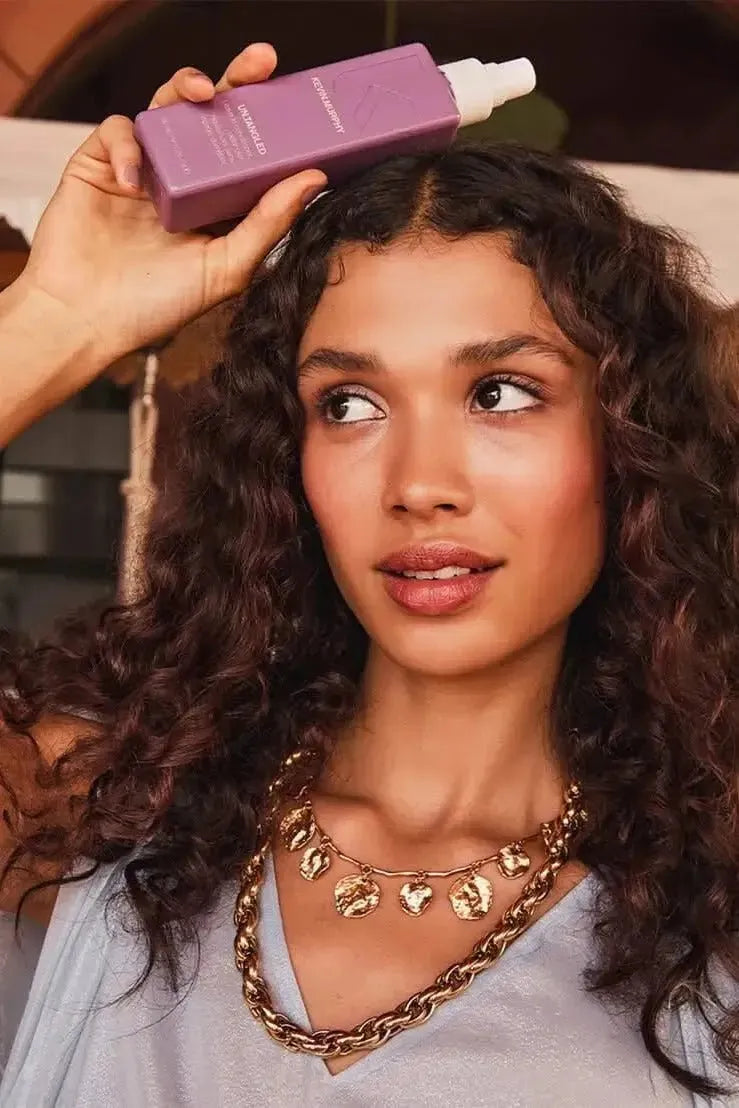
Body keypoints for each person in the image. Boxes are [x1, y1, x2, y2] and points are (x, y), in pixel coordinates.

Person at [0, 40, 737, 1108]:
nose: (419, 483)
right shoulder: (95, 809)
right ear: (285, 461)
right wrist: (55, 321)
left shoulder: (706, 932)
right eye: (348, 404)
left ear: (629, 444)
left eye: (500, 391)